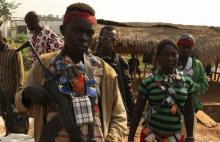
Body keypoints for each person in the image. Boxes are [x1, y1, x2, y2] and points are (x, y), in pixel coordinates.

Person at [15, 3, 127, 142]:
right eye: (77, 30)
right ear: (63, 30)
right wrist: (27, 95)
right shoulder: (43, 65)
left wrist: (111, 139)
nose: (83, 37)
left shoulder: (106, 71)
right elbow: (19, 103)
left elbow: (119, 116)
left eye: (89, 33)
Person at [128, 39, 195, 142]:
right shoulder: (148, 82)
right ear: (158, 58)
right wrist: (130, 137)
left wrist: (190, 136)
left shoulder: (187, 82)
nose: (170, 58)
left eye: (174, 54)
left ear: (178, 55)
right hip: (150, 137)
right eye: (164, 55)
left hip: (175, 138)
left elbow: (189, 111)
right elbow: (137, 111)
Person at [95, 25, 134, 121]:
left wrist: (133, 112)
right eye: (105, 38)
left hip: (116, 106)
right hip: (97, 107)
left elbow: (127, 88)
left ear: (116, 41)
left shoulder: (120, 61)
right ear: (100, 39)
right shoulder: (92, 60)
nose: (109, 42)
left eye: (112, 39)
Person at [0, 32, 28, 135]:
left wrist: (18, 92)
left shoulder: (14, 51)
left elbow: (20, 74)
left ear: (2, 39)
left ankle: (18, 133)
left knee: (14, 114)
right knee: (3, 113)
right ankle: (9, 132)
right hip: (1, 89)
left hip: (11, 89)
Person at [177, 34, 208, 113]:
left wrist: (188, 85)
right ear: (178, 46)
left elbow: (204, 86)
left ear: (192, 48)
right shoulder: (171, 62)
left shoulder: (197, 65)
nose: (186, 49)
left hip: (192, 107)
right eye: (183, 46)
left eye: (189, 47)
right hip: (172, 108)